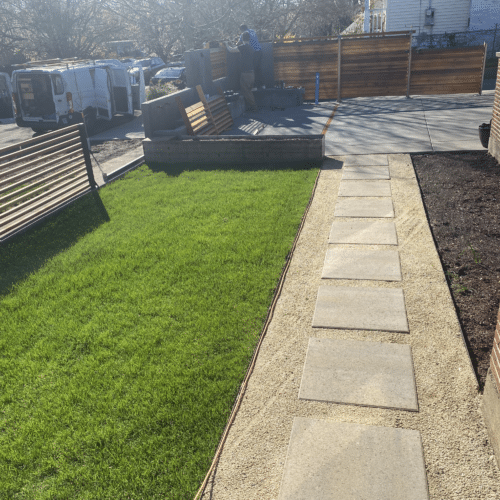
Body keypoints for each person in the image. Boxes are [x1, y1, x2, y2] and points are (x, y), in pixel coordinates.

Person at [237, 31, 258, 112]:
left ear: (242, 38)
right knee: (248, 90)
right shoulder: (251, 48)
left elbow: (231, 50)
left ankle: (253, 106)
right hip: (252, 72)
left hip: (245, 72)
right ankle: (251, 106)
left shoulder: (242, 47)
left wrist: (226, 44)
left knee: (246, 90)